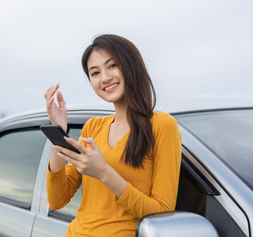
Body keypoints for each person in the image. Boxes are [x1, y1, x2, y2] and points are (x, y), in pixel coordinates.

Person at [44, 34, 182, 237]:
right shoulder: (92, 127)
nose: (105, 78)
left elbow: (161, 214)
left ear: (131, 66)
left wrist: (104, 173)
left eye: (112, 66)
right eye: (95, 73)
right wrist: (59, 134)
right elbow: (57, 200)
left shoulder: (162, 125)